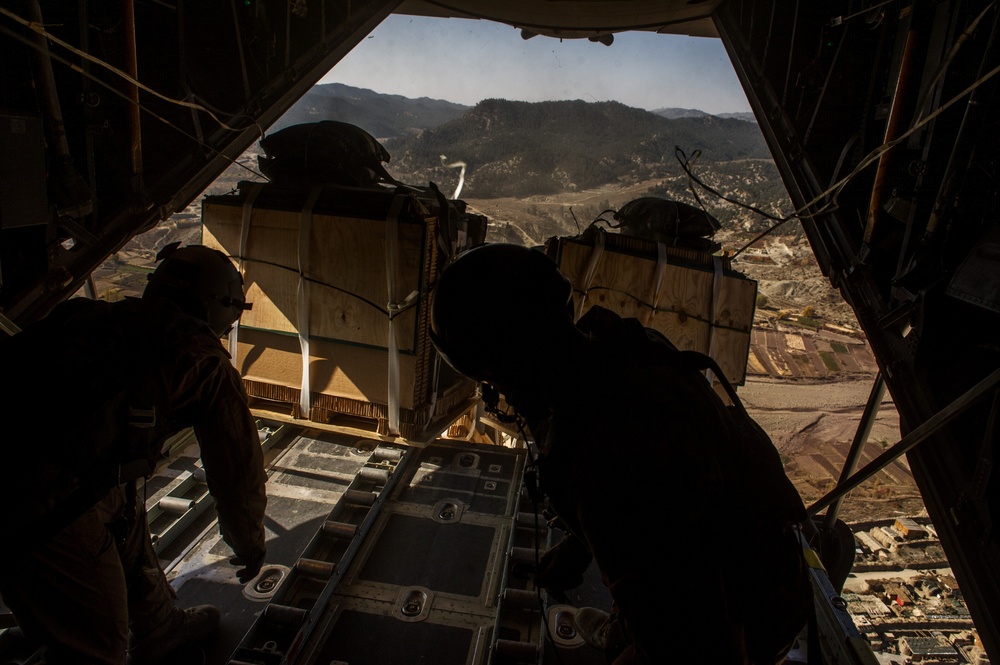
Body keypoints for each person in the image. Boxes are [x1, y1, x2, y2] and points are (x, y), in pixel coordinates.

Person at [430, 243, 811, 664]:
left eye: (496, 383)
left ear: (508, 371)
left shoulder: (603, 464)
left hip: (753, 620)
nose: (503, 396)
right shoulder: (630, 349)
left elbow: (700, 651)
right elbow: (664, 503)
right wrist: (581, 545)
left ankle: (626, 631)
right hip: (767, 556)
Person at [0, 243, 268, 665]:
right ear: (222, 306)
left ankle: (158, 626)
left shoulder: (87, 318)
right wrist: (249, 545)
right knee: (98, 649)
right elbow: (238, 472)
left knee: (123, 505)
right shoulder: (202, 361)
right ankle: (67, 626)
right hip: (41, 504)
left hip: (33, 475)